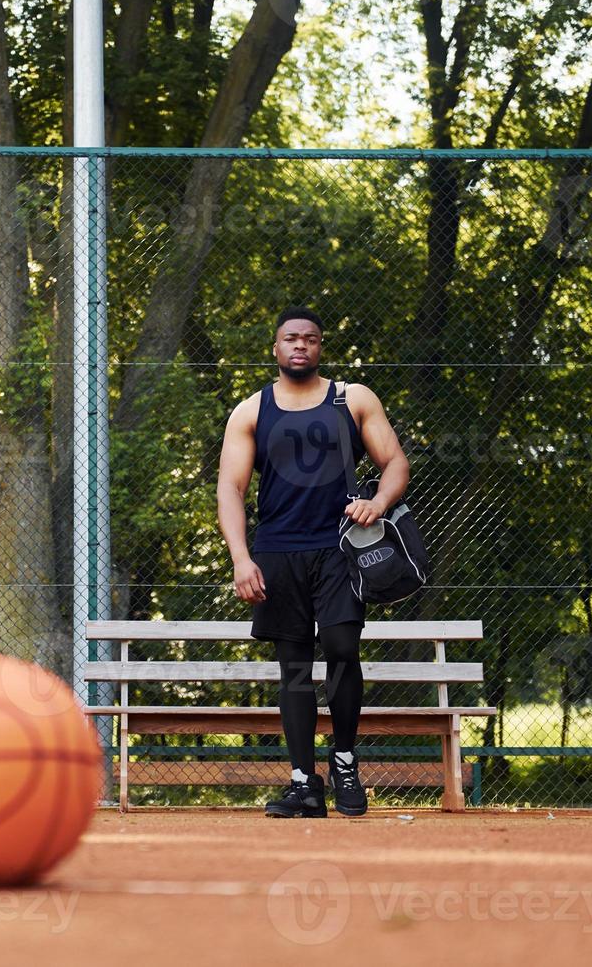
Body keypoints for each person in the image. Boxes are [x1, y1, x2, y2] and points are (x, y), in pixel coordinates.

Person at [216, 305, 410, 817]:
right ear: (275, 348)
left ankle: (344, 759)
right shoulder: (251, 411)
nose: (300, 345)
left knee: (343, 647)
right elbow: (230, 489)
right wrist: (241, 557)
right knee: (295, 666)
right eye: (291, 338)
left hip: (340, 548)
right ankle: (305, 783)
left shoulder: (353, 399)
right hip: (278, 550)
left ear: (320, 348)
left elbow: (394, 463)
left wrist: (379, 502)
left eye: (310, 339)